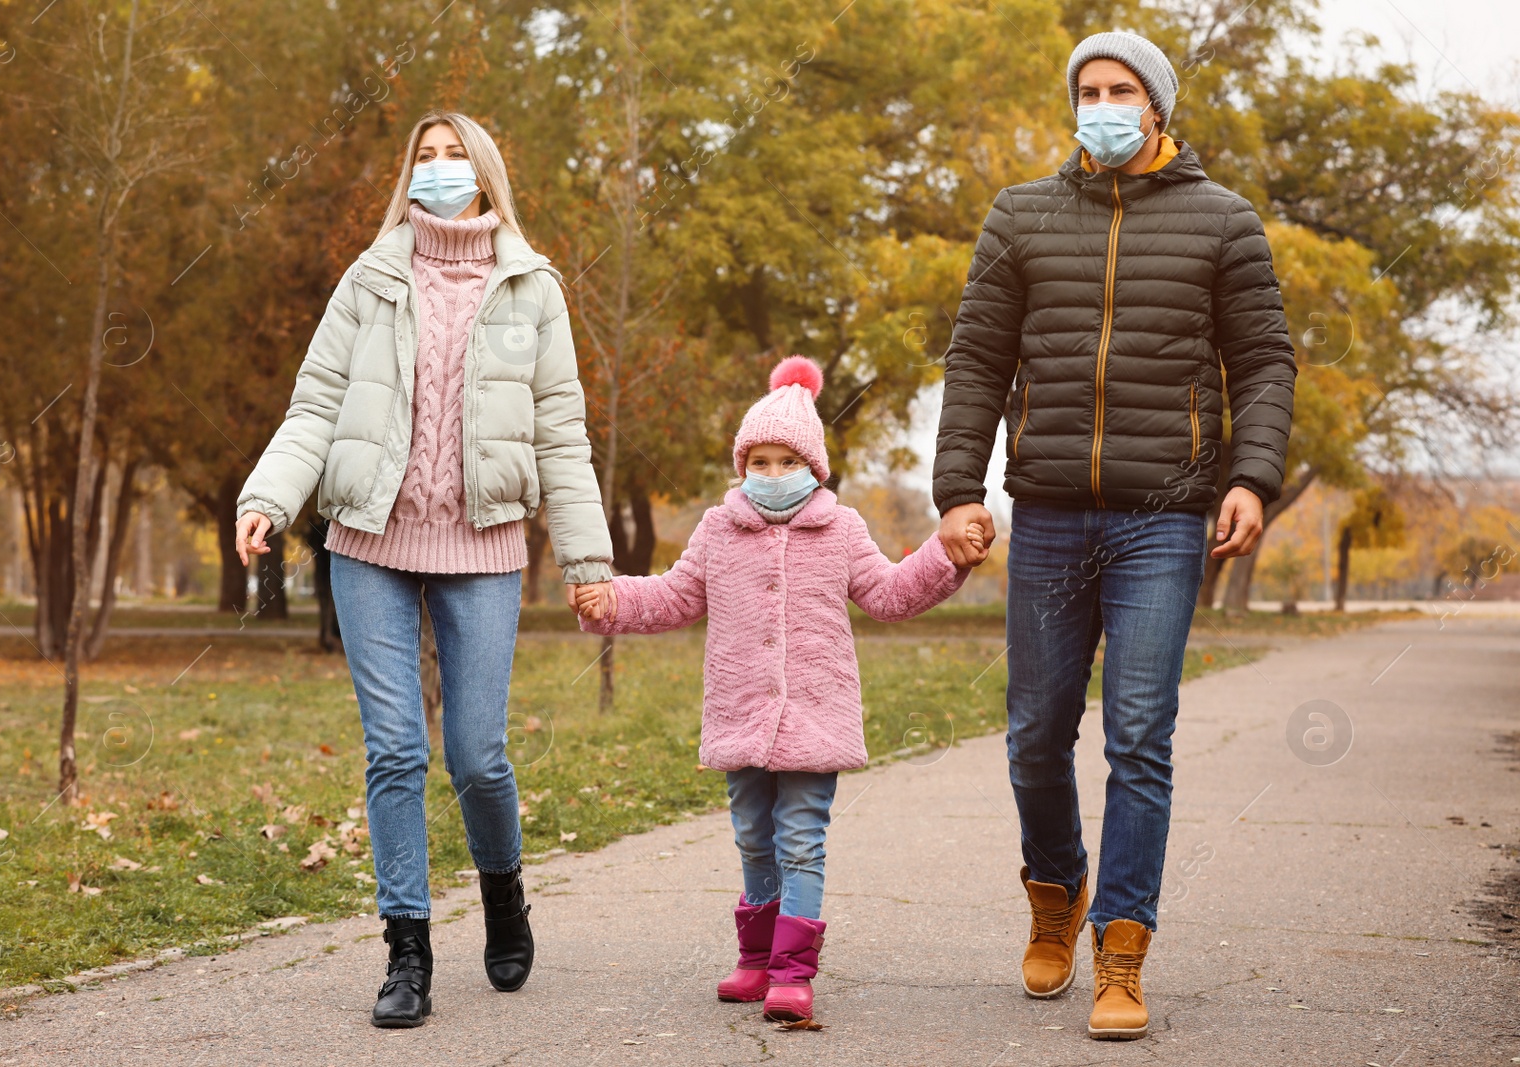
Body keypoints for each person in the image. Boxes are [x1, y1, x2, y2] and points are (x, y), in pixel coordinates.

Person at [931, 31, 1297, 1041]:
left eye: (1119, 89)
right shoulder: (1022, 216)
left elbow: (1263, 360)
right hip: (1046, 508)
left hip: (1165, 515)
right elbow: (974, 361)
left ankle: (1122, 948)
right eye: (1087, 89)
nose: (1099, 103)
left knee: (1139, 732)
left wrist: (1249, 478)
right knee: (1036, 734)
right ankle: (1056, 885)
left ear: (1156, 107)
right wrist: (959, 486)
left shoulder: (1223, 221)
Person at [233, 110, 616, 1028]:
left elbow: (561, 431)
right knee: (396, 750)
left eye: (455, 159)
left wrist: (587, 557)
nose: (439, 173)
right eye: (425, 160)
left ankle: (502, 890)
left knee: (477, 755)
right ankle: (407, 949)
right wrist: (270, 495)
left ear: (485, 176)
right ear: (407, 177)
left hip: (483, 546)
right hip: (368, 541)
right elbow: (318, 403)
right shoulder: (370, 279)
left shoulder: (533, 288)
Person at [574, 356, 983, 1022]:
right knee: (753, 838)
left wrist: (943, 558)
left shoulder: (841, 528)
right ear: (742, 466)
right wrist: (611, 597)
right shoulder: (717, 530)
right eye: (757, 461)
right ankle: (756, 958)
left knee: (800, 839)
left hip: (814, 720)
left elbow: (889, 593)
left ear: (813, 467)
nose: (770, 474)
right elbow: (674, 596)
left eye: (784, 461)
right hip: (741, 716)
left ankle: (794, 971)